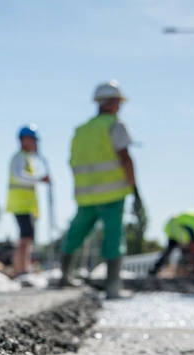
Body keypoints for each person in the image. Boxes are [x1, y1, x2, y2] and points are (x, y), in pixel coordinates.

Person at [60, 80, 143, 298]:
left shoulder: (82, 130)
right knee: (114, 238)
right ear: (113, 103)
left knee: (75, 235)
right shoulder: (115, 126)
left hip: (86, 195)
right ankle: (113, 287)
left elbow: (72, 162)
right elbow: (126, 159)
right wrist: (136, 191)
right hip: (112, 194)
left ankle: (64, 277)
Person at [6, 125, 50, 276]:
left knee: (27, 237)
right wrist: (39, 179)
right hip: (20, 204)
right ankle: (20, 269)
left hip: (27, 205)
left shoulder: (28, 158)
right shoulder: (19, 157)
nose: (35, 144)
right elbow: (19, 176)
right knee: (25, 238)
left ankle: (23, 268)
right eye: (34, 140)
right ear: (25, 140)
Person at [148, 210, 194, 277]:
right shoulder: (192, 224)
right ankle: (156, 269)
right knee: (175, 250)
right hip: (174, 227)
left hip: (180, 229)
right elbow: (192, 245)